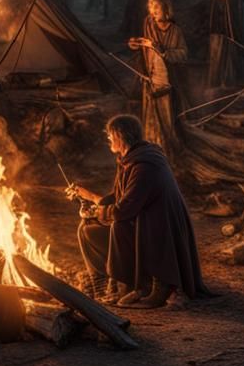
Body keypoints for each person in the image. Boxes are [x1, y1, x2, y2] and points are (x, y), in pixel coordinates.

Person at [68, 113, 204, 310]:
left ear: (120, 135)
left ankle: (146, 284)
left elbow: (123, 210)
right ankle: (102, 281)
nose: (108, 139)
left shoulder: (144, 166)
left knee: (117, 225)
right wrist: (87, 196)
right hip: (140, 222)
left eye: (110, 135)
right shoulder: (130, 159)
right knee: (86, 228)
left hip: (155, 229)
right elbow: (120, 196)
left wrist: (97, 213)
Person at [128, 0, 188, 157]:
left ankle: (166, 150)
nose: (153, 11)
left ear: (166, 10)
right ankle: (151, 147)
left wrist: (163, 51)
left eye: (157, 7)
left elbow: (183, 54)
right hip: (150, 78)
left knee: (166, 116)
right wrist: (136, 44)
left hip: (166, 81)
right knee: (150, 117)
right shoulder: (149, 24)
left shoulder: (175, 31)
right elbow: (146, 45)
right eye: (151, 7)